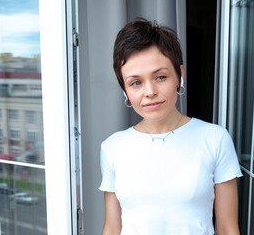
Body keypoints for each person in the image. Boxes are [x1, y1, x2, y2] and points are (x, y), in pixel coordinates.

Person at [99, 18, 242, 235]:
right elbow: (111, 228)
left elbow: (228, 228)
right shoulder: (112, 147)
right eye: (136, 82)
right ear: (125, 89)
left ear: (179, 75)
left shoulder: (215, 139)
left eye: (160, 77)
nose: (149, 92)